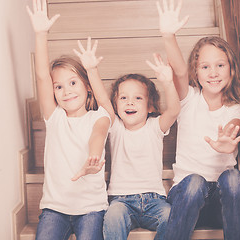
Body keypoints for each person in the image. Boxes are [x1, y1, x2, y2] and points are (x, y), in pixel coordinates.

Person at [156, 0, 240, 239]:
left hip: (221, 201)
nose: (213, 72)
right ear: (195, 72)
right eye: (205, 66)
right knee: (195, 182)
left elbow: (236, 125)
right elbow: (178, 72)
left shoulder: (236, 108)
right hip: (187, 197)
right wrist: (169, 36)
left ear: (231, 69)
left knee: (234, 178)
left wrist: (228, 138)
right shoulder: (189, 99)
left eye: (220, 65)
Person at [73, 38, 180, 240]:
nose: (130, 102)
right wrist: (92, 70)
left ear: (150, 106)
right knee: (112, 216)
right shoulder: (115, 127)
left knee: (171, 216)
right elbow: (103, 101)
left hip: (155, 200)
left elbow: (174, 110)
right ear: (116, 104)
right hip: (121, 200)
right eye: (123, 98)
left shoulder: (154, 127)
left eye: (138, 98)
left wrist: (168, 82)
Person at [26, 1, 111, 239]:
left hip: (91, 210)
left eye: (73, 83)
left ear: (87, 86)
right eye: (59, 86)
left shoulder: (100, 116)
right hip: (55, 209)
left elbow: (98, 135)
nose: (67, 91)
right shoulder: (55, 118)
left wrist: (93, 158)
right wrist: (41, 34)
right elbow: (42, 77)